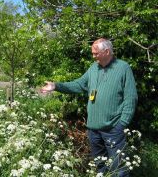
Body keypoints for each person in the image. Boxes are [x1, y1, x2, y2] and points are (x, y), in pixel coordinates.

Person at [41, 38, 138, 176]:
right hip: (93, 130)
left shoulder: (123, 68)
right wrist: (56, 86)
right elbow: (79, 84)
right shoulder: (94, 68)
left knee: (120, 171)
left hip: (113, 129)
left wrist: (122, 123)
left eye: (95, 53)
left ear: (107, 51)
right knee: (100, 169)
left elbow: (131, 97)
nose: (93, 56)